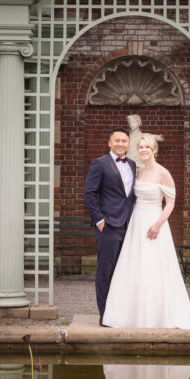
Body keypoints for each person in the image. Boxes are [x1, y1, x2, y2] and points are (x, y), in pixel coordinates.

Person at [101, 134, 190, 330]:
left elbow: (170, 203)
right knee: (134, 265)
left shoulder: (163, 173)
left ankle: (157, 314)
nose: (144, 150)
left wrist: (157, 224)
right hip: (136, 222)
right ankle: (132, 313)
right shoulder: (138, 170)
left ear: (154, 150)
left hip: (155, 222)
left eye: (147, 147)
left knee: (154, 267)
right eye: (141, 147)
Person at [83, 127, 136, 325]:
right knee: (106, 270)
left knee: (124, 271)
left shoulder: (132, 164)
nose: (121, 144)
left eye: (124, 140)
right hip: (109, 225)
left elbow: (129, 195)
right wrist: (99, 220)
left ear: (128, 143)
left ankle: (120, 313)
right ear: (109, 143)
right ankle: (105, 315)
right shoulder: (100, 163)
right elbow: (89, 192)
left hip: (129, 225)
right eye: (117, 140)